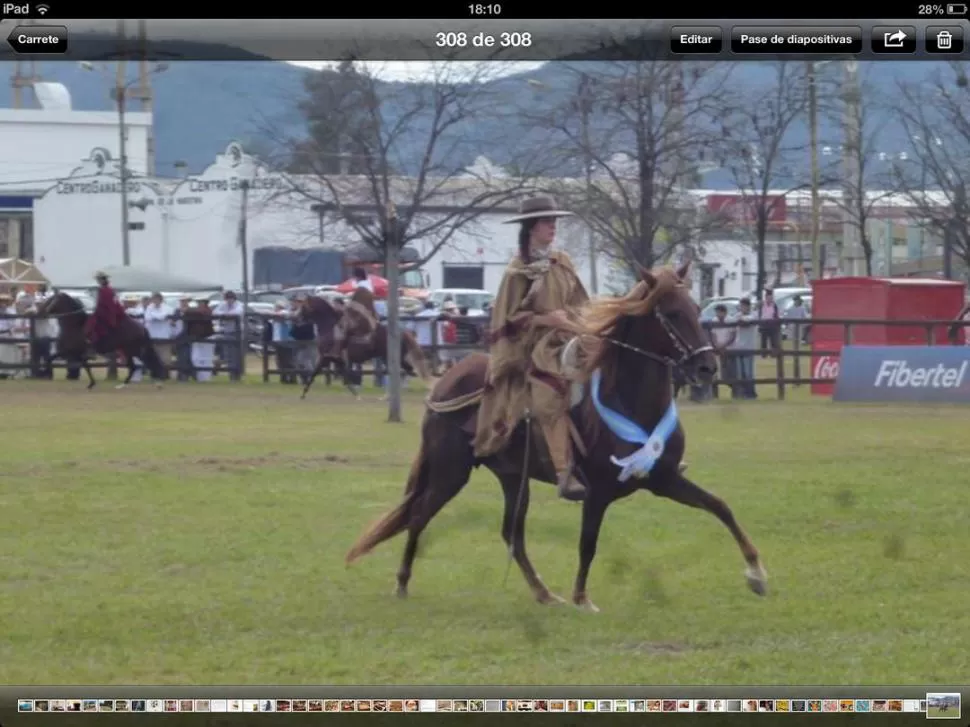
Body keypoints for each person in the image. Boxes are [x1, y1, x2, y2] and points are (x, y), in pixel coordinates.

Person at [472, 195, 590, 502]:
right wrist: (545, 318)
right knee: (549, 398)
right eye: (546, 222)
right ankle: (564, 472)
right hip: (536, 347)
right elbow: (508, 318)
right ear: (531, 227)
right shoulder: (517, 271)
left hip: (571, 336)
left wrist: (580, 322)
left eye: (554, 221)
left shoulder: (562, 262)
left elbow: (579, 300)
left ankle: (647, 450)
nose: (553, 227)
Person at [84, 271, 127, 354]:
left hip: (107, 313)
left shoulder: (105, 290)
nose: (98, 281)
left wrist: (98, 311)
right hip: (106, 311)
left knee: (92, 324)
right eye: (98, 279)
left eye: (99, 279)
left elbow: (108, 304)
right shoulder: (107, 289)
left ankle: (93, 346)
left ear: (103, 280)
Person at [211, 290, 244, 380]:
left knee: (236, 355)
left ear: (234, 299)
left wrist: (225, 315)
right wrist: (225, 315)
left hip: (236, 333)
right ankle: (231, 373)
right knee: (227, 354)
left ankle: (236, 374)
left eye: (231, 299)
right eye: (227, 299)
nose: (229, 301)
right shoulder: (223, 304)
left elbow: (237, 313)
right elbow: (215, 312)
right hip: (226, 332)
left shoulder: (239, 305)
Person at [730, 297, 758, 399]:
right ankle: (741, 393)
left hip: (749, 347)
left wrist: (740, 318)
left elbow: (747, 321)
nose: (742, 308)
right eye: (741, 306)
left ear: (748, 306)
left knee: (748, 372)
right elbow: (733, 320)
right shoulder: (738, 315)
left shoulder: (753, 315)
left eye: (743, 306)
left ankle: (751, 393)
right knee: (740, 372)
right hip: (738, 347)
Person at [143, 292, 175, 378]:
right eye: (153, 299)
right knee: (154, 357)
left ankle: (165, 375)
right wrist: (158, 317)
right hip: (152, 336)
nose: (155, 301)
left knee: (165, 358)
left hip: (165, 336)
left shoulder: (168, 308)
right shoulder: (149, 307)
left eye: (156, 299)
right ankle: (155, 375)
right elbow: (147, 318)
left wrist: (155, 316)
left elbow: (162, 316)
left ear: (161, 300)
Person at [709, 303, 737, 397]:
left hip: (729, 349)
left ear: (724, 312)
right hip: (717, 350)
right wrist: (716, 345)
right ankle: (714, 394)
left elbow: (733, 336)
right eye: (717, 312)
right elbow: (713, 335)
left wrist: (723, 346)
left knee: (730, 372)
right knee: (716, 373)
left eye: (719, 312)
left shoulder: (731, 320)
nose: (718, 314)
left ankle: (735, 390)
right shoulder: (714, 321)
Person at [757, 288, 780, 357]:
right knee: (763, 341)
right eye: (768, 297)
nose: (770, 299)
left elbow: (776, 315)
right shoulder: (762, 304)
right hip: (764, 324)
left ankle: (773, 354)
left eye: (771, 298)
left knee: (773, 341)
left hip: (772, 325)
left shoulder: (774, 305)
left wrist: (776, 323)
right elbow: (759, 314)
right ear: (766, 297)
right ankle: (764, 354)